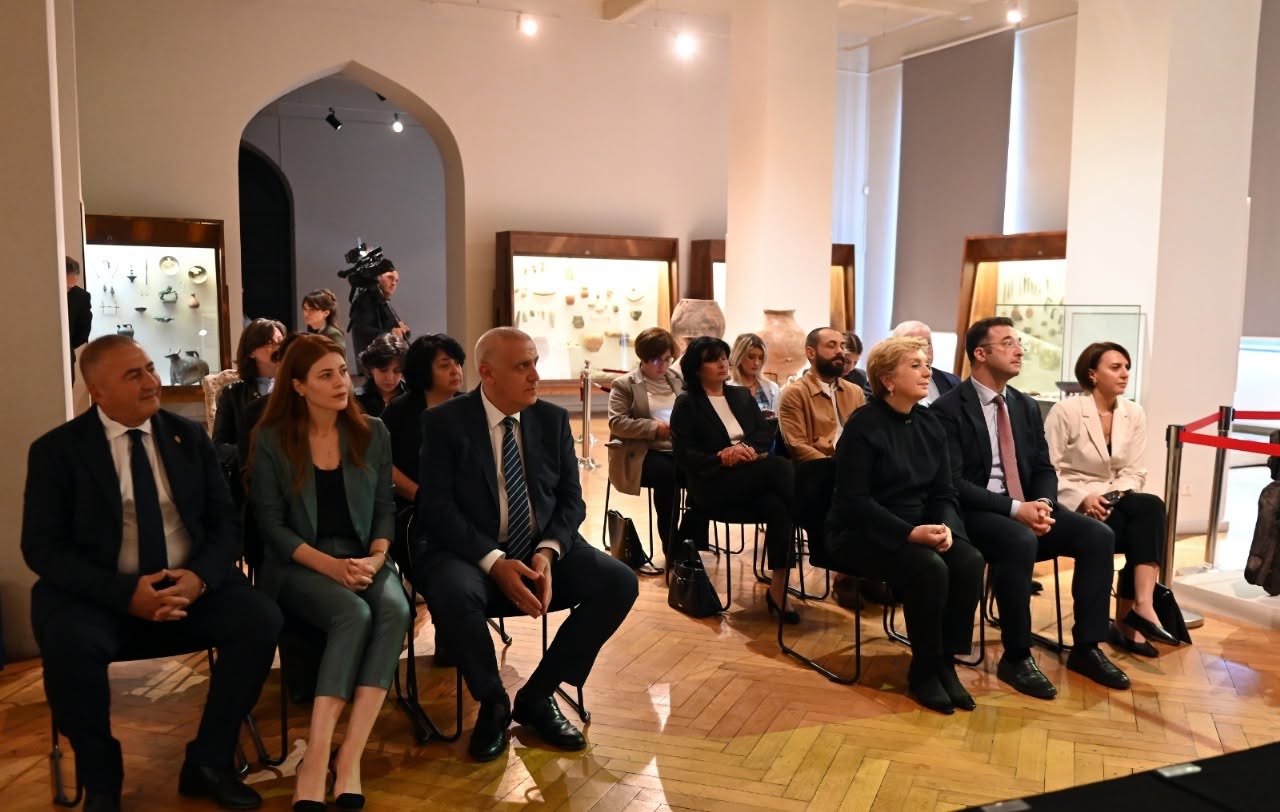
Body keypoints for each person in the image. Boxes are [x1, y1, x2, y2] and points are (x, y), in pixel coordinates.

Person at [22, 335, 281, 812]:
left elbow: (225, 524)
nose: (151, 381)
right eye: (133, 375)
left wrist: (199, 578)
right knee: (67, 644)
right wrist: (124, 594)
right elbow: (41, 548)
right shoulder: (57, 451)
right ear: (98, 391)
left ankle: (209, 760)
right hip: (99, 598)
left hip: (189, 588)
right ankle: (102, 780)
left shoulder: (188, 438)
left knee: (260, 620)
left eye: (149, 368)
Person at [413, 327, 638, 763]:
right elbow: (437, 510)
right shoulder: (444, 422)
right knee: (453, 592)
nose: (536, 375)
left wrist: (548, 550)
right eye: (522, 366)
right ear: (488, 373)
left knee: (618, 582)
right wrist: (494, 562)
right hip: (469, 552)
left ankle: (538, 694)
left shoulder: (551, 419)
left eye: (535, 363)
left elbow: (571, 500)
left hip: (539, 548)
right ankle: (493, 702)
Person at [247, 334, 410, 812]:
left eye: (342, 371)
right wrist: (332, 567)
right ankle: (316, 758)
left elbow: (384, 508)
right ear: (298, 386)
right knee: (352, 614)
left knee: (396, 609)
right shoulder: (272, 438)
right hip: (300, 561)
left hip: (363, 557)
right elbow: (271, 527)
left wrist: (376, 559)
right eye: (325, 375)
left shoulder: (372, 431)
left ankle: (350, 756)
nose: (341, 383)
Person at [933, 317, 1128, 699]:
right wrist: (1014, 509)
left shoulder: (1023, 405)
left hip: (1026, 507)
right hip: (977, 513)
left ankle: (1088, 647)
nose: (1020, 350)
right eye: (1008, 343)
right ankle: (1017, 655)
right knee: (1018, 539)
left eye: (1018, 342)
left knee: (1098, 535)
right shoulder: (948, 408)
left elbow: (1043, 467)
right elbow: (954, 483)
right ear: (980, 354)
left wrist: (1042, 503)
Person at [826, 337, 985, 714]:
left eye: (926, 363)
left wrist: (945, 529)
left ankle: (946, 662)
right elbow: (855, 501)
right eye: (915, 365)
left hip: (919, 526)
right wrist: (908, 533)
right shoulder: (864, 426)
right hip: (862, 531)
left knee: (969, 560)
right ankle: (924, 670)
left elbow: (944, 491)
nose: (927, 371)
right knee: (928, 568)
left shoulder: (930, 423)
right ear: (887, 380)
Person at [1045, 342, 1180, 656]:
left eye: (1127, 367)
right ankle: (1125, 625)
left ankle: (1142, 606)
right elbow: (1047, 469)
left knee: (1151, 507)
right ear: (1092, 374)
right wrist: (1084, 498)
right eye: (1115, 367)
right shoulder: (1066, 411)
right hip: (1071, 500)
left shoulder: (1134, 412)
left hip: (1113, 497)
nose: (1125, 374)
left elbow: (1134, 471)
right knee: (1138, 531)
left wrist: (1108, 497)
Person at [671, 336, 797, 621]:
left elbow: (764, 433)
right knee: (781, 468)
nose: (722, 364)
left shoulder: (740, 396)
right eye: (713, 359)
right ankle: (818, 522)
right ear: (696, 368)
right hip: (712, 484)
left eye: (724, 357)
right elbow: (684, 455)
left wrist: (746, 448)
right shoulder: (687, 404)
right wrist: (722, 456)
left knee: (779, 506)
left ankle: (778, 589)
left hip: (750, 477)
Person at [779, 327, 867, 609]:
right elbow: (797, 446)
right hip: (814, 475)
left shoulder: (854, 392)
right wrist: (838, 467)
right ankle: (846, 574)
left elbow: (866, 438)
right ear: (811, 352)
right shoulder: (794, 393)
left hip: (852, 471)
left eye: (842, 346)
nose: (840, 351)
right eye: (831, 345)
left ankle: (870, 569)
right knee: (841, 485)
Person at [606, 327, 707, 556]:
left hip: (678, 449)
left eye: (667, 359)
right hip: (643, 453)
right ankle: (671, 546)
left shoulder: (678, 379)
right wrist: (654, 428)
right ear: (643, 358)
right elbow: (617, 423)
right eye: (656, 360)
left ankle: (688, 540)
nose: (662, 365)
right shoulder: (624, 384)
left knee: (705, 472)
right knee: (668, 476)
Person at [382, 333, 467, 509]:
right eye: (445, 365)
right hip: (414, 506)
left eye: (458, 363)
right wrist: (420, 495)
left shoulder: (470, 406)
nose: (455, 371)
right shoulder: (399, 410)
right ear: (424, 370)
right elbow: (381, 462)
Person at [213, 318, 285, 504]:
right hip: (250, 480)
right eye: (270, 342)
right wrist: (253, 454)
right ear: (252, 351)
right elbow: (219, 447)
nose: (278, 347)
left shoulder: (296, 388)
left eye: (281, 341)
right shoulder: (233, 394)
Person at [347, 262, 409, 361]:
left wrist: (403, 329)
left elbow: (398, 330)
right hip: (375, 364)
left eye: (396, 281)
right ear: (376, 278)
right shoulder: (365, 301)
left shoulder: (383, 302)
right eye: (390, 278)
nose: (393, 283)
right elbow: (361, 331)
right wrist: (391, 334)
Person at [891, 321, 959, 405]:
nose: (924, 350)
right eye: (916, 344)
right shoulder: (885, 384)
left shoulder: (953, 382)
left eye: (928, 343)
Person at [354, 333, 408, 417]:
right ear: (371, 368)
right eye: (383, 370)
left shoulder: (413, 396)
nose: (390, 378)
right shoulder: (356, 399)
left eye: (397, 371)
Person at [728, 333, 780, 416]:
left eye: (760, 358)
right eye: (751, 357)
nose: (756, 363)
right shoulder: (727, 389)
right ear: (739, 357)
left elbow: (777, 418)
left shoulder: (772, 388)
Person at [66, 256, 92, 382]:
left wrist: (67, 345)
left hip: (67, 356)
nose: (67, 291)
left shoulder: (81, 297)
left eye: (70, 288)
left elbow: (83, 331)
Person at [301, 288, 346, 355]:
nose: (306, 313)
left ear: (326, 313)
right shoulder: (310, 333)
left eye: (312, 309)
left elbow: (338, 359)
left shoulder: (333, 335)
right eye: (305, 308)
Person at [841, 330, 871, 398]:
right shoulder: (825, 376)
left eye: (855, 362)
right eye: (847, 361)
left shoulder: (860, 376)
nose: (851, 368)